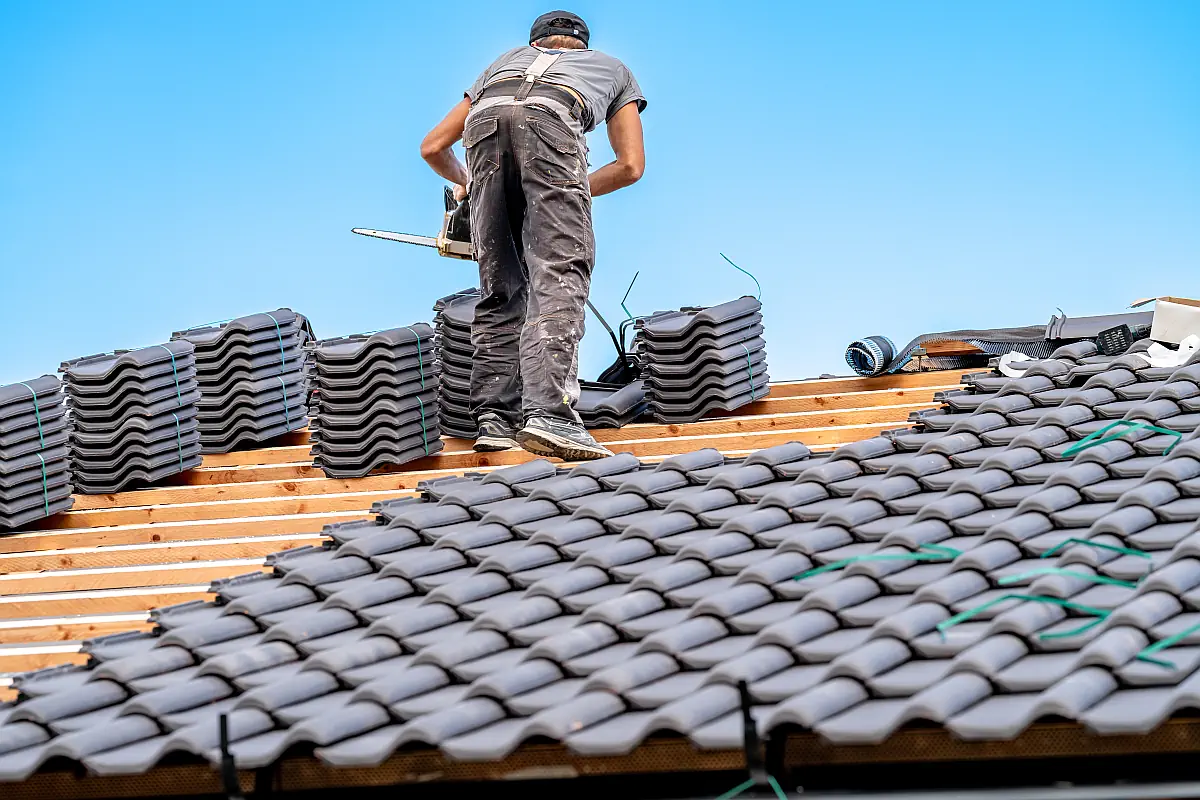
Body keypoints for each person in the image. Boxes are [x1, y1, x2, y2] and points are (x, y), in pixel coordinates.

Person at [420, 10, 646, 461]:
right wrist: (564, 190)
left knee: (500, 286)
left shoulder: (502, 62)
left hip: (482, 132)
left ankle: (494, 420)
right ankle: (550, 416)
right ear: (582, 44)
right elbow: (630, 165)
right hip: (552, 124)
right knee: (559, 276)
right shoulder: (615, 69)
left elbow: (432, 147)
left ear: (536, 42)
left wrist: (470, 185)